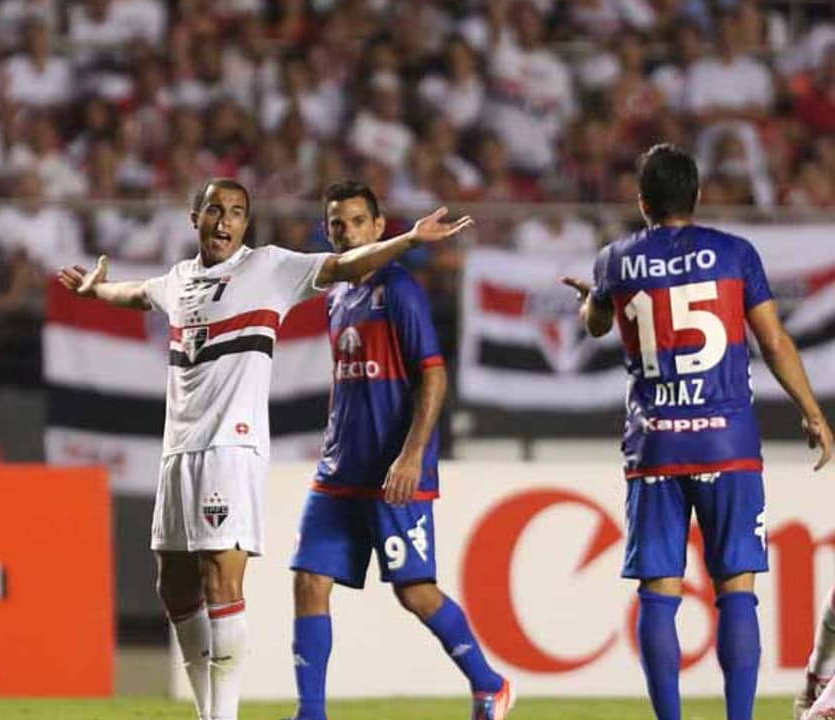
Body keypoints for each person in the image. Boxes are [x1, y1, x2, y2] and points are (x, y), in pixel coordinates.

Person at [57, 178, 471, 720]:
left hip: (232, 447)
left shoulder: (271, 268)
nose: (224, 221)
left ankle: (223, 716)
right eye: (214, 211)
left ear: (246, 225)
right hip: (177, 450)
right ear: (195, 219)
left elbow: (346, 265)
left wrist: (409, 239)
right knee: (175, 587)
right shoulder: (181, 279)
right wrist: (95, 291)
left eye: (236, 212)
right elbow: (137, 293)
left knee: (219, 579)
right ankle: (209, 711)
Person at [562, 143, 833, 720]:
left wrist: (590, 304)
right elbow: (774, 341)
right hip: (727, 441)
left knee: (658, 593)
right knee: (737, 588)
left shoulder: (615, 259)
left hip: (656, 442)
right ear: (698, 196)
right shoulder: (734, 253)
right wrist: (811, 410)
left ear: (642, 202)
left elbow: (597, 324)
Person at [287, 181, 513, 720]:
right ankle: (311, 714)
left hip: (394, 471)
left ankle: (490, 683)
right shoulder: (337, 293)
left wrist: (412, 455)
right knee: (308, 580)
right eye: (337, 224)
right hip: (340, 469)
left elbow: (433, 377)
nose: (345, 232)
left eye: (356, 222)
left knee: (415, 592)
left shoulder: (400, 290)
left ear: (378, 227)